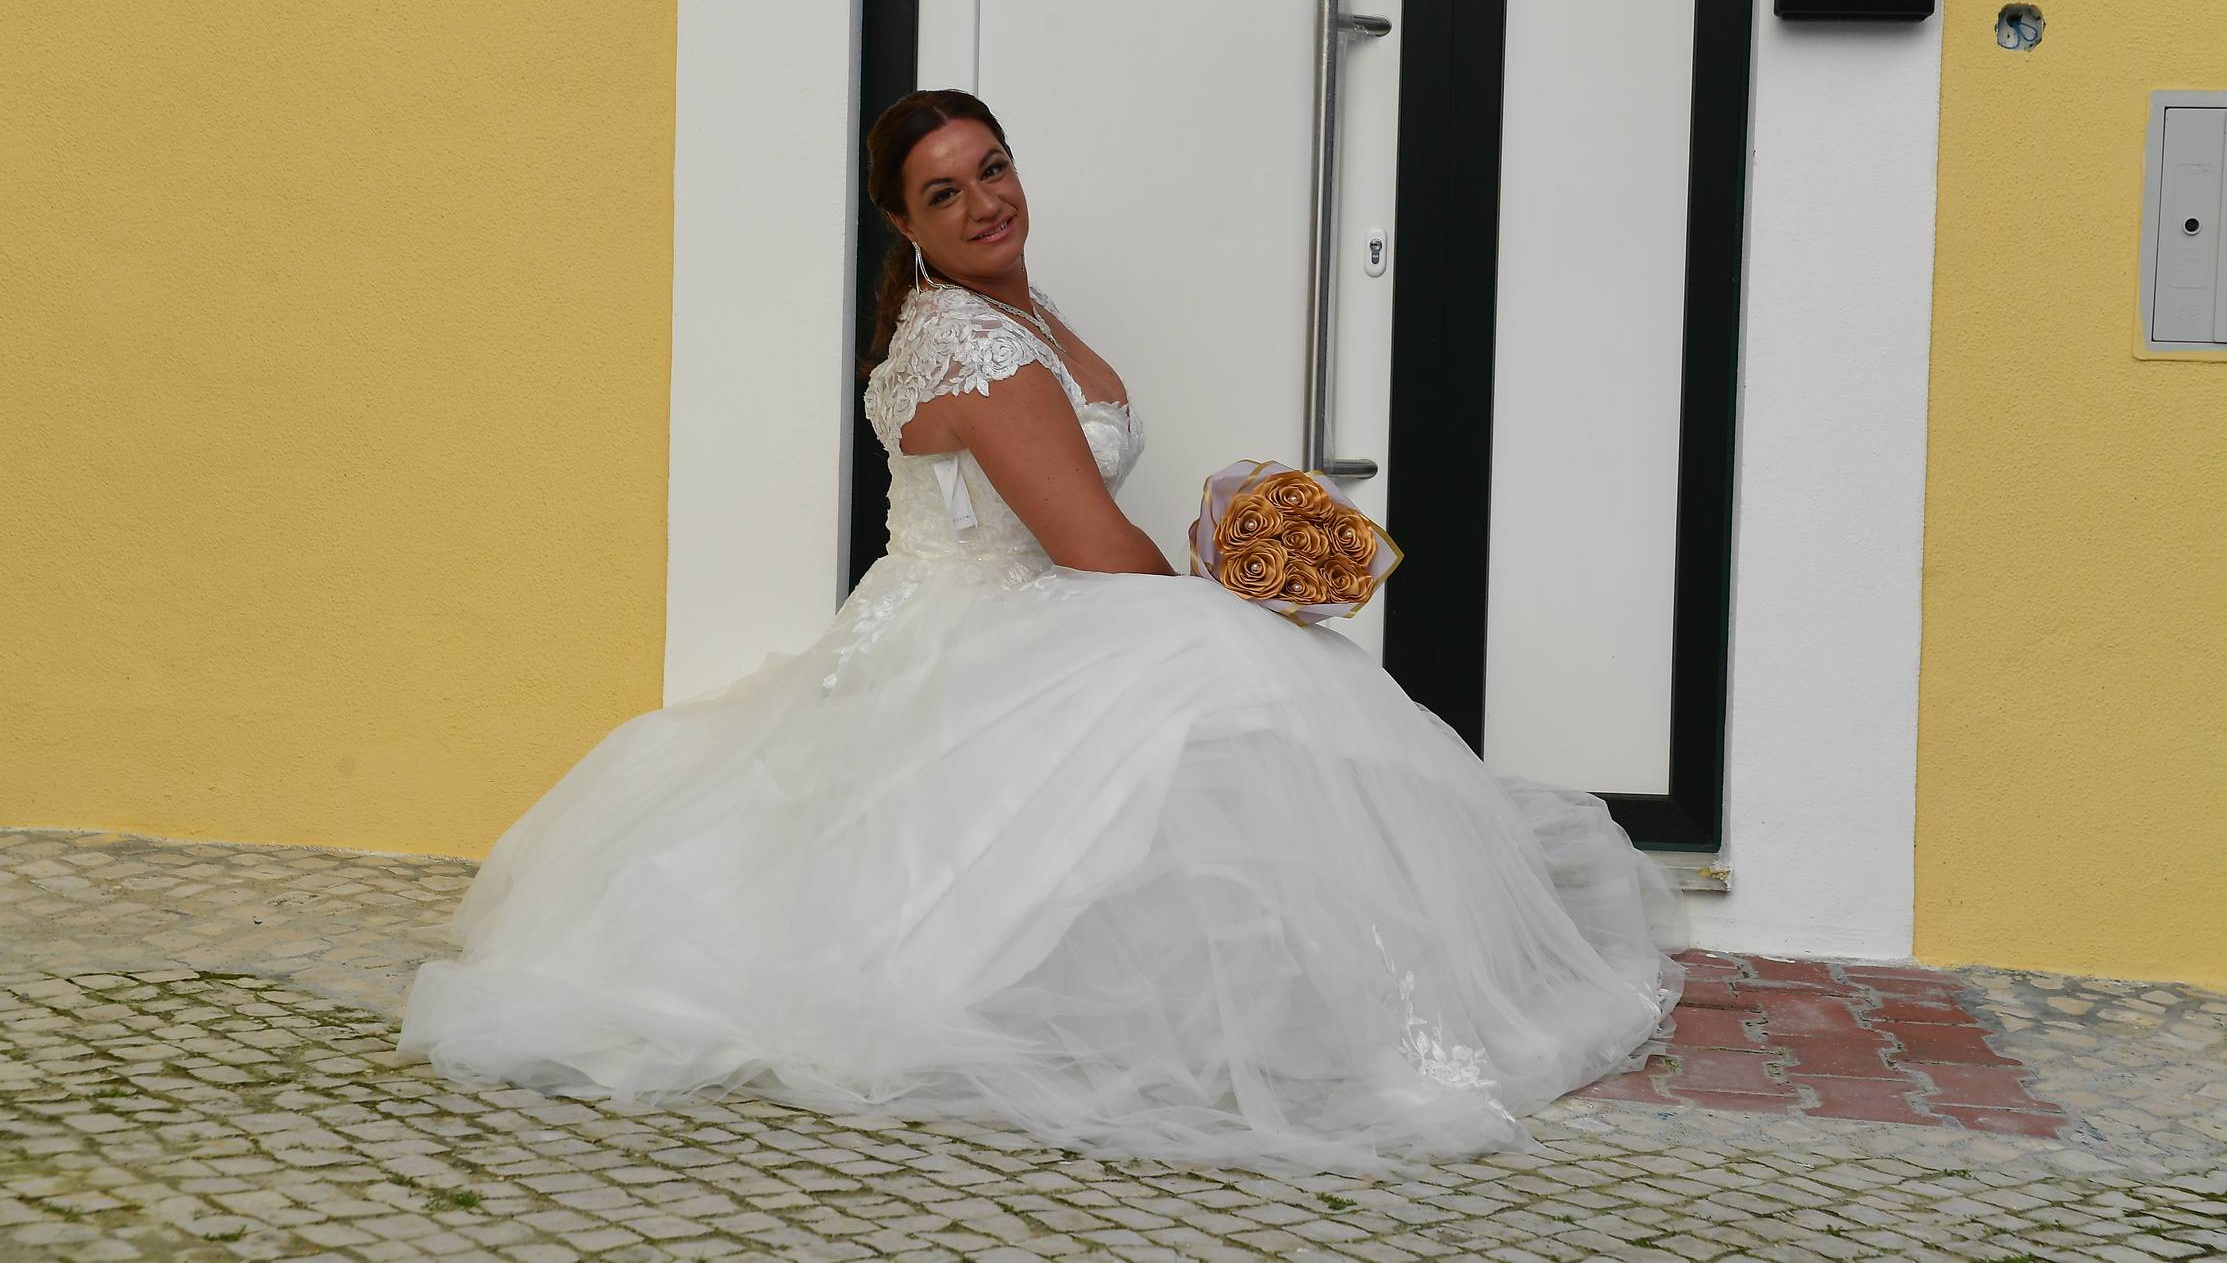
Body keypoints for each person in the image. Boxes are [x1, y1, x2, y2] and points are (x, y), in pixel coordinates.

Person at [400, 89, 1683, 1173]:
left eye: (993, 169)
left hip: (1000, 606)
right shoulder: (977, 347)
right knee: (1234, 670)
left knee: (1227, 695)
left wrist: (1227, 553)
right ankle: (1330, 1008)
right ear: (902, 225)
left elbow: (1077, 520)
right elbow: (1087, 547)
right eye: (943, 194)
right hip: (984, 620)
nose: (983, 204)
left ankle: (1292, 982)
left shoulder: (1008, 309)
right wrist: (1226, 599)